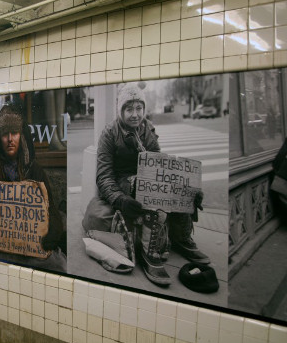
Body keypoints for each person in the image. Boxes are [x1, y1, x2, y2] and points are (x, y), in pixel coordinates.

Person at [83, 83, 207, 286]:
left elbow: (161, 166)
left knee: (174, 183)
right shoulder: (110, 133)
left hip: (144, 177)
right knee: (145, 185)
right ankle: (150, 252)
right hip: (122, 182)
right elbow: (104, 175)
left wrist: (189, 192)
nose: (135, 114)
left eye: (138, 108)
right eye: (129, 109)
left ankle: (182, 237)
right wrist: (119, 199)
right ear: (121, 110)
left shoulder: (147, 129)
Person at [0, 105, 66, 272]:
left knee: (59, 264)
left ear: (23, 137)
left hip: (27, 247)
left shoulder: (34, 170)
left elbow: (51, 211)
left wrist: (50, 237)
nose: (10, 139)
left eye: (15, 133)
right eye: (5, 134)